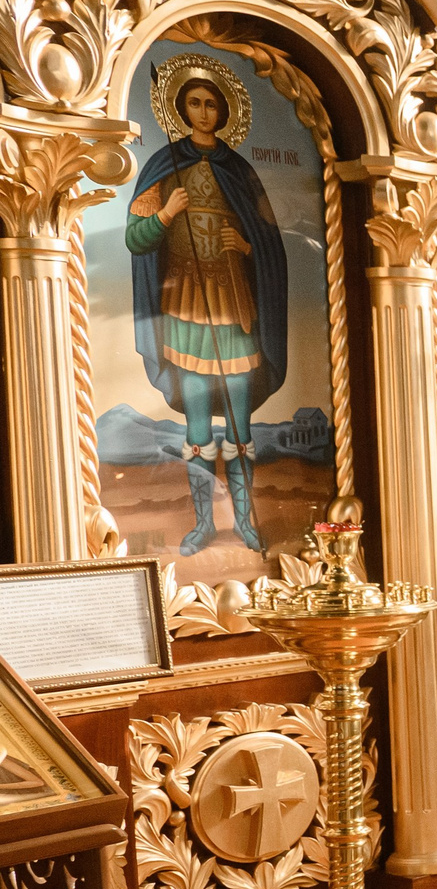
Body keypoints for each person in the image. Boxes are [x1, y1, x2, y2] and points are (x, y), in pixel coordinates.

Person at [126, 68, 289, 556]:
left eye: (211, 104)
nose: (203, 112)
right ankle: (204, 526)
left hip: (234, 304)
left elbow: (270, 246)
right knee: (198, 427)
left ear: (223, 112)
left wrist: (244, 243)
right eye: (194, 103)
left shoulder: (240, 172)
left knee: (239, 426)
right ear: (181, 110)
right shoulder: (163, 166)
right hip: (184, 307)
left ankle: (244, 521)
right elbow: (136, 240)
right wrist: (166, 214)